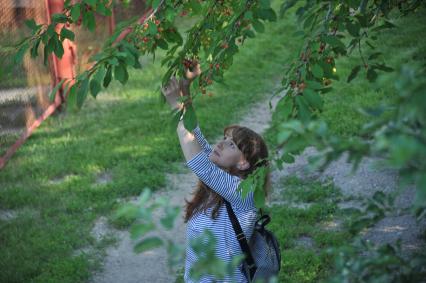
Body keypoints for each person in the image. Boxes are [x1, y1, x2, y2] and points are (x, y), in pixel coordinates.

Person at [161, 62, 271, 282]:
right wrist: (185, 90)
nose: (221, 144)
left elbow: (198, 162)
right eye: (225, 140)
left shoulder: (244, 193)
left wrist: (176, 105)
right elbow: (197, 137)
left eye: (232, 145)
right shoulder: (220, 183)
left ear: (243, 164)